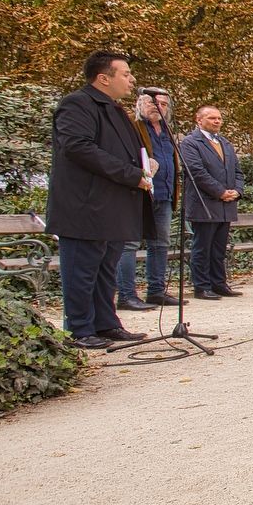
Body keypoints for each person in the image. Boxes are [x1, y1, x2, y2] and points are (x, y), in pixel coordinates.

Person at [44, 51, 154, 348]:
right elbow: (78, 147)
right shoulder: (77, 104)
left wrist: (144, 169)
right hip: (85, 206)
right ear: (104, 78)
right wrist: (131, 174)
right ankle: (79, 329)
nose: (132, 80)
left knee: (106, 269)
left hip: (112, 205)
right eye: (126, 74)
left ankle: (105, 323)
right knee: (82, 270)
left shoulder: (115, 109)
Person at [115, 91, 178, 310]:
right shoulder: (133, 127)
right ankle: (126, 295)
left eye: (163, 104)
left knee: (160, 244)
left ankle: (156, 291)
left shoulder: (167, 132)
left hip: (164, 193)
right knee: (130, 243)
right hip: (139, 192)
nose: (158, 107)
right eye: (152, 102)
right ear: (140, 105)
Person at [180, 105, 244, 301]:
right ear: (199, 120)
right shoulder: (191, 143)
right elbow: (197, 172)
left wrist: (237, 191)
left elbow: (237, 172)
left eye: (219, 118)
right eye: (211, 118)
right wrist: (220, 191)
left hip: (226, 205)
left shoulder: (225, 143)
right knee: (203, 247)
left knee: (219, 248)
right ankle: (202, 286)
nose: (217, 121)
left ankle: (218, 283)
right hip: (204, 203)